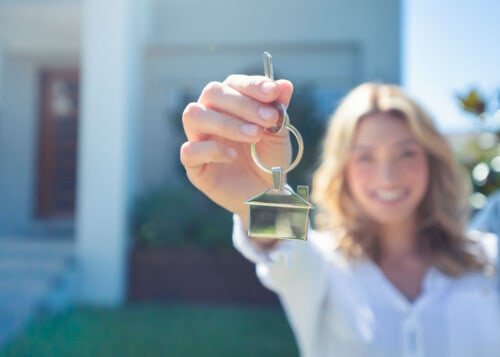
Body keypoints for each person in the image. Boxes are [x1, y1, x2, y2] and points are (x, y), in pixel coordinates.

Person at [180, 75, 500, 357]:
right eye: (365, 158)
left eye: (406, 153)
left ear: (432, 160)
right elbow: (286, 252)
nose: (387, 177)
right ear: (342, 169)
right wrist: (262, 197)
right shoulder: (323, 263)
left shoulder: (489, 258)